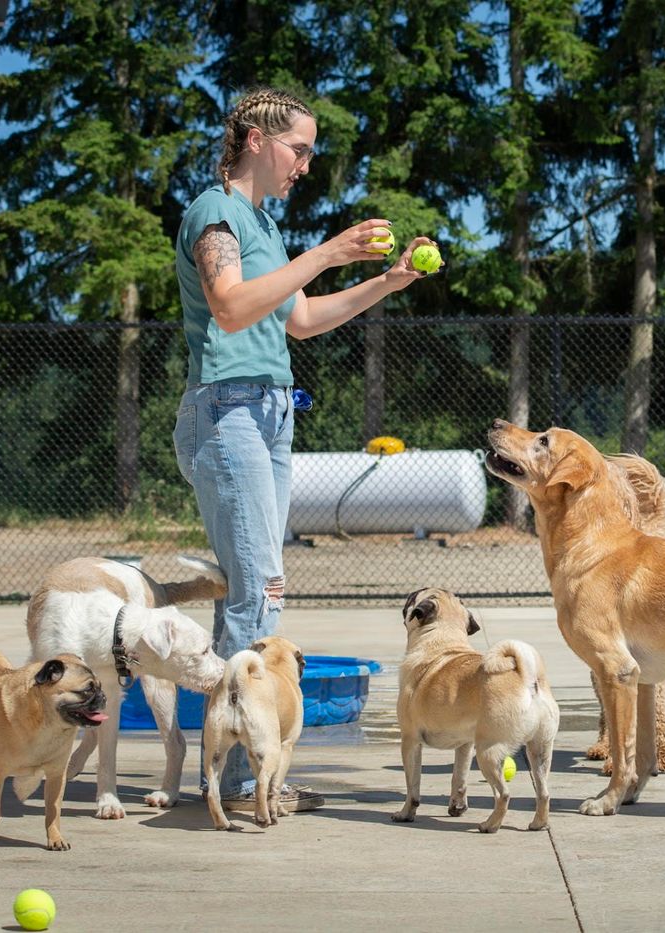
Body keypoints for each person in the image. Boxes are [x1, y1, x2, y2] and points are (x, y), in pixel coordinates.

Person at [172, 86, 433, 813]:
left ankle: (231, 775)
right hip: (226, 412)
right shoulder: (215, 213)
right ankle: (254, 777)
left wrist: (387, 278)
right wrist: (326, 251)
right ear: (256, 139)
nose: (306, 164)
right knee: (259, 592)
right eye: (300, 148)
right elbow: (229, 305)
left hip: (268, 411)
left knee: (250, 595)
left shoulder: (260, 225)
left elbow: (303, 318)